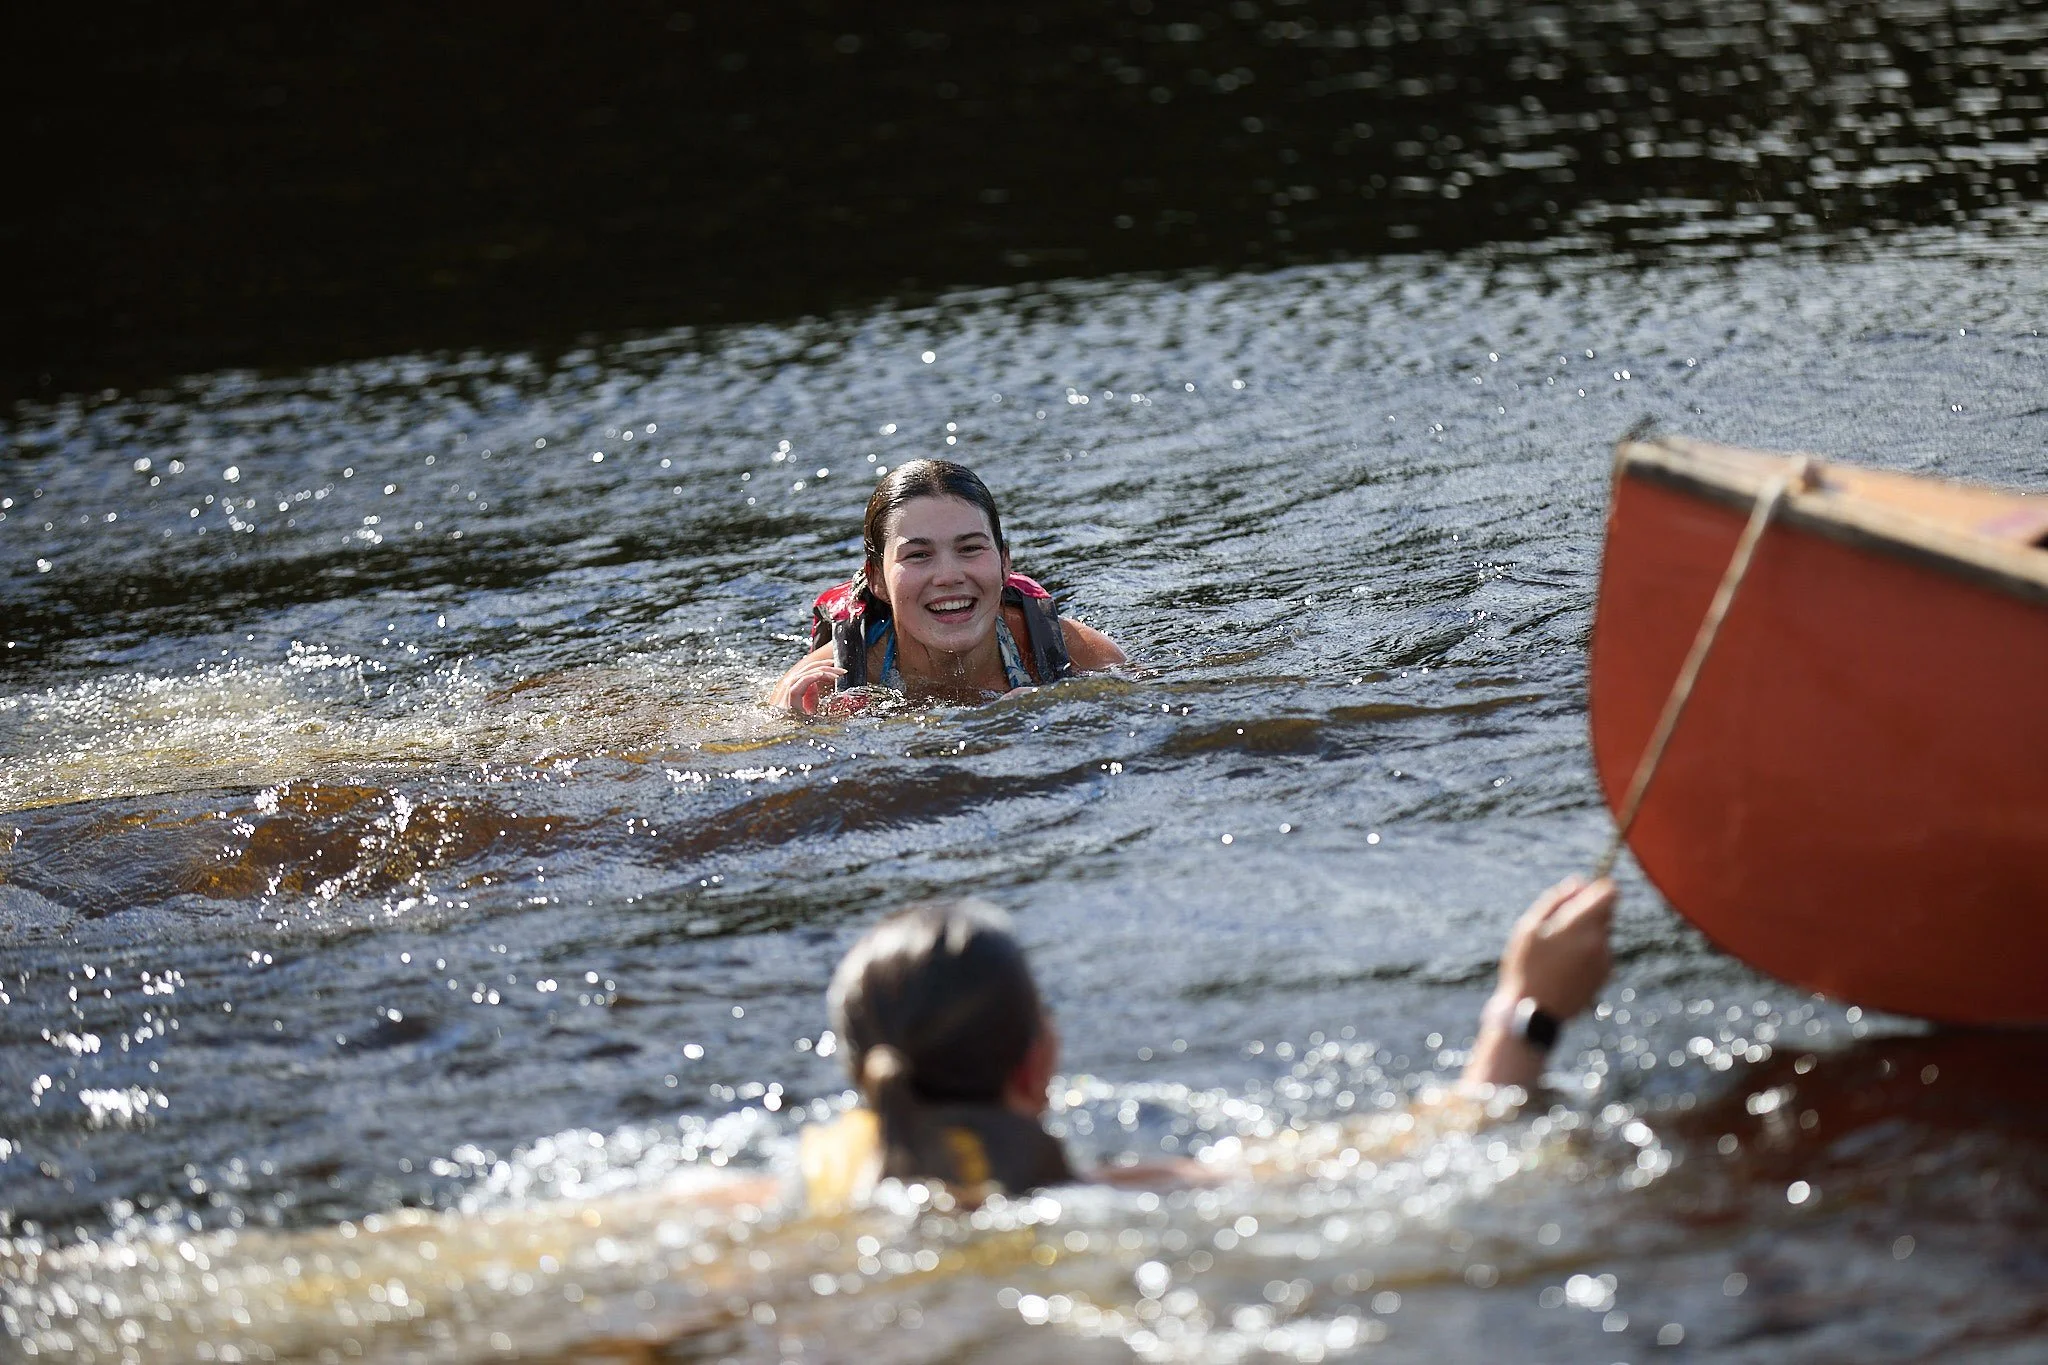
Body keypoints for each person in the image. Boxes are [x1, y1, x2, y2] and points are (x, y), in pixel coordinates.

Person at [798, 877, 1616, 1208]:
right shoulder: (1107, 1198)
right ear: (1038, 1062)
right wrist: (1525, 1008)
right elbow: (1450, 1131)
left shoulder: (801, 1195)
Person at [769, 460, 1126, 715]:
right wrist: (800, 727)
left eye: (970, 548)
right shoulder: (827, 684)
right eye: (919, 554)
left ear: (1004, 563)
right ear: (877, 578)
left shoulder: (1081, 656)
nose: (948, 576)